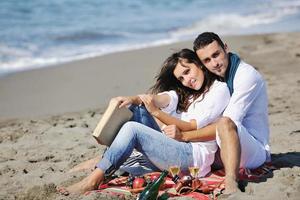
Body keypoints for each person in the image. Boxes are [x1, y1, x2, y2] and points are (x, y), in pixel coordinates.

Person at [57, 49, 230, 195]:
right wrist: (132, 99)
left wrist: (155, 112)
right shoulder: (187, 93)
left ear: (198, 64)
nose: (187, 80)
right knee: (136, 109)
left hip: (193, 158)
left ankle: (94, 179)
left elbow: (191, 126)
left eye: (187, 71)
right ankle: (104, 158)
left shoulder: (218, 90)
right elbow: (160, 99)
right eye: (181, 78)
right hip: (174, 147)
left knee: (133, 129)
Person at [168, 32, 270, 194]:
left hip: (253, 151)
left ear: (226, 48)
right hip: (223, 146)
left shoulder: (246, 76)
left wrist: (184, 136)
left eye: (216, 55)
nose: (214, 63)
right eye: (207, 60)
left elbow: (228, 123)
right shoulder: (217, 76)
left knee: (224, 122)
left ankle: (231, 180)